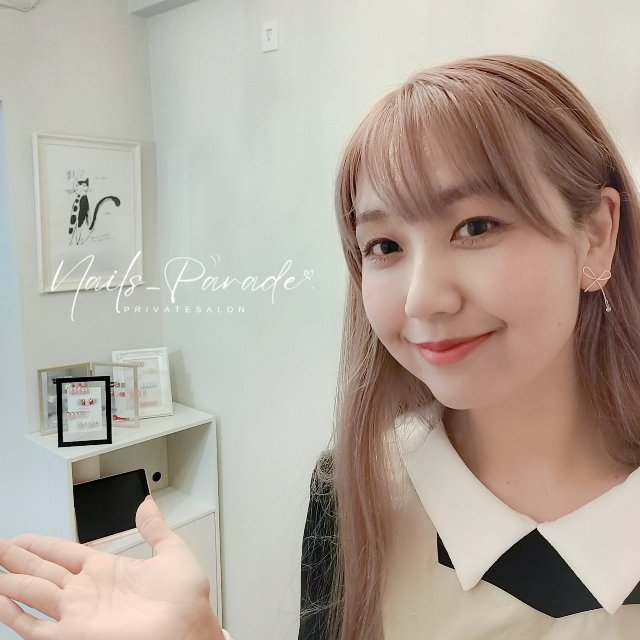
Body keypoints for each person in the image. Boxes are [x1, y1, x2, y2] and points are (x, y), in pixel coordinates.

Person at [2, 53, 640, 640]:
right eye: (384, 246)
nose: (421, 299)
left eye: (475, 226)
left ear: (596, 236)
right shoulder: (356, 492)